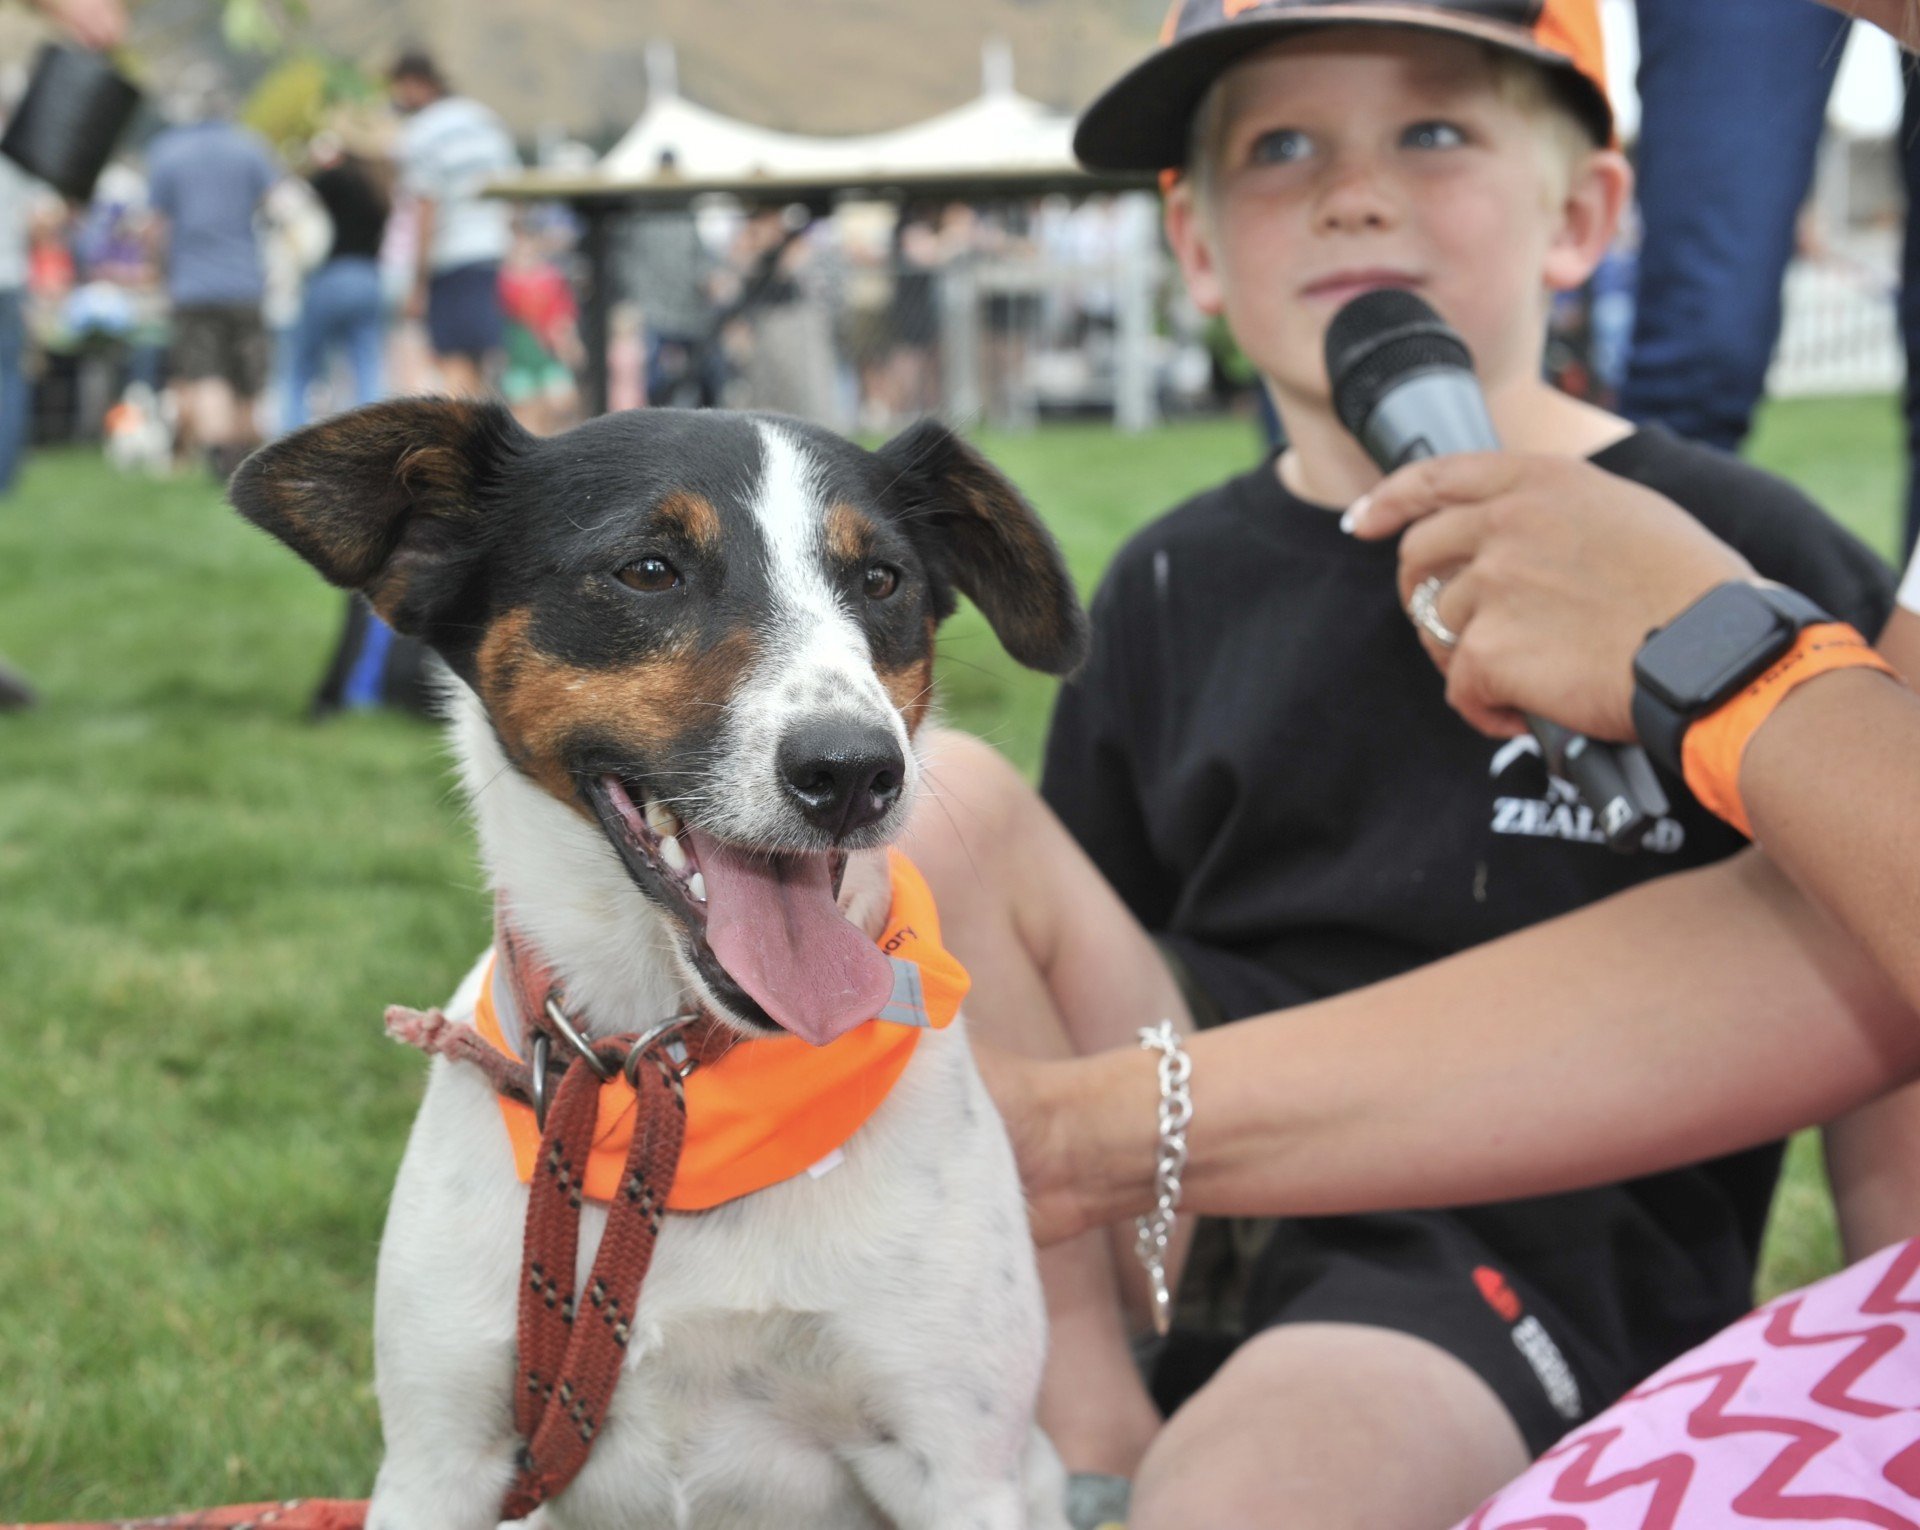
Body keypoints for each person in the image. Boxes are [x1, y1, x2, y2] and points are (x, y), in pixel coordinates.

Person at [898, 3, 1896, 1527]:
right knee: (947, 792)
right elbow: (1076, 936)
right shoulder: (1171, 583)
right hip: (1190, 1181)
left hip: (1503, 1251)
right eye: (1280, 145)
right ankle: (1087, 1424)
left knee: (1260, 1478)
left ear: (1584, 214)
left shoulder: (1743, 557)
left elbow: (1872, 958)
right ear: (1199, 246)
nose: (1353, 191)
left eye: (1432, 131)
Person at [145, 68, 280, 480]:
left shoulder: (165, 151)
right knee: (247, 376)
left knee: (206, 372)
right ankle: (246, 458)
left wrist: (159, 274)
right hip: (245, 280)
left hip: (192, 284)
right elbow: (279, 207)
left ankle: (221, 457)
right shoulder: (251, 147)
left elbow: (156, 227)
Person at [387, 50, 517, 399]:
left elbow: (426, 209)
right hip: (491, 253)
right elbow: (513, 194)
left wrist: (417, 283)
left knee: (453, 364)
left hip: (452, 258)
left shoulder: (423, 132)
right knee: (481, 362)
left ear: (415, 83)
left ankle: (463, 450)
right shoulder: (485, 120)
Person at [285, 131, 390, 429]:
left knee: (301, 366)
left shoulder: (334, 179)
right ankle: (370, 440)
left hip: (331, 276)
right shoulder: (381, 185)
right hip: (369, 278)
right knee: (367, 365)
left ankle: (290, 439)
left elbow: (293, 202)